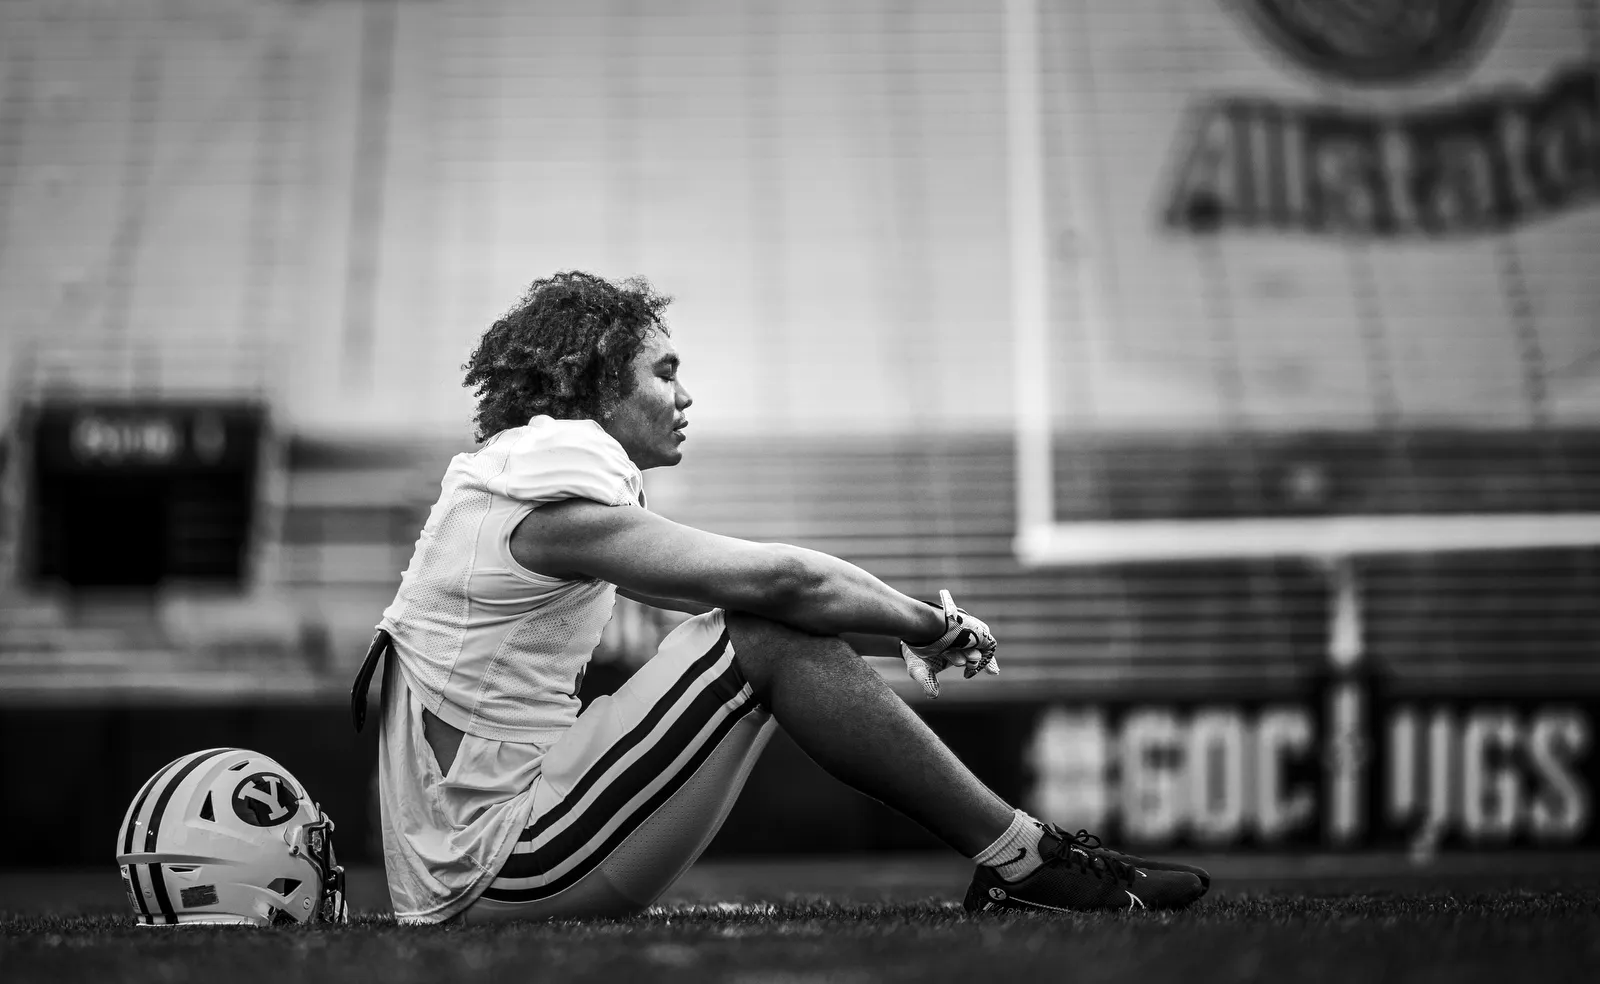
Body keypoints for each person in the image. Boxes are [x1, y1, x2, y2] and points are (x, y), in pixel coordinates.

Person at [350, 271, 1209, 924]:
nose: (685, 394)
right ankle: (1027, 862)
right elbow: (783, 587)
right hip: (497, 863)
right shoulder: (543, 494)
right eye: (664, 371)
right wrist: (932, 623)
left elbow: (775, 603)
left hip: (484, 851)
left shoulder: (510, 492)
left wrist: (892, 635)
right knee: (760, 633)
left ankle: (1021, 858)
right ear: (596, 382)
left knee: (761, 631)